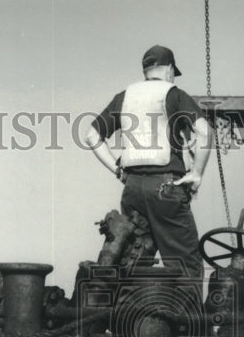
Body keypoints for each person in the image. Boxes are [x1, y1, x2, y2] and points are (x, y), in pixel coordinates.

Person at [83, 44, 211, 282]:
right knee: (184, 264)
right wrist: (197, 173)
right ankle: (187, 318)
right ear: (170, 69)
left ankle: (125, 315)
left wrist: (117, 170)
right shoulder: (175, 95)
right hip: (166, 189)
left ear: (146, 71)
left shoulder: (124, 97)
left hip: (132, 191)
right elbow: (204, 132)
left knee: (132, 261)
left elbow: (91, 136)